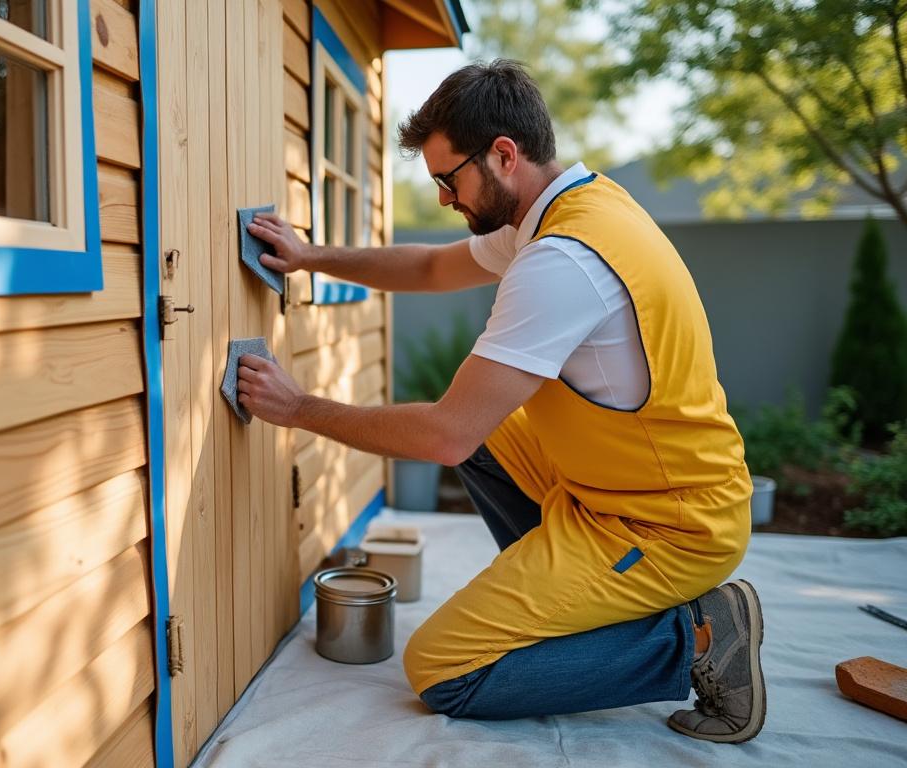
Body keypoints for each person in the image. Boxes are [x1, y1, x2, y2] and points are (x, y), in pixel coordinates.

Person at [235, 59, 764, 743]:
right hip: (612, 488)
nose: (444, 200)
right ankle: (573, 602)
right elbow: (429, 266)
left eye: (447, 179)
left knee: (444, 667)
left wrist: (298, 408)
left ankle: (695, 636)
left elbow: (444, 438)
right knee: (486, 429)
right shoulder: (571, 209)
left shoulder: (562, 260)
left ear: (504, 155)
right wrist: (311, 258)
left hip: (665, 526)